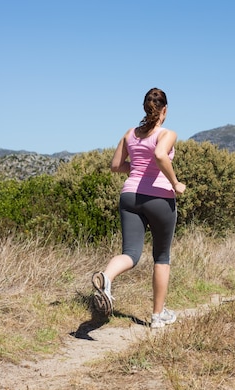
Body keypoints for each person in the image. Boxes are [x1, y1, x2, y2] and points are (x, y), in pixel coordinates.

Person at [91, 87, 186, 328]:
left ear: (145, 108)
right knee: (161, 257)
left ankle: (107, 277)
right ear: (164, 109)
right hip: (159, 198)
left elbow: (115, 166)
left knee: (131, 254)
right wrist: (175, 183)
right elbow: (160, 155)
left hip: (130, 196)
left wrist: (136, 170)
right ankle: (157, 316)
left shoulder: (130, 134)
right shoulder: (167, 133)